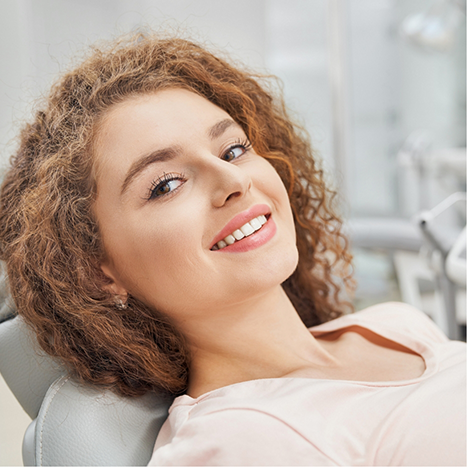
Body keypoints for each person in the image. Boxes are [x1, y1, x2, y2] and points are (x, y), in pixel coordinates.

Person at [0, 32, 464, 466]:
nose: (233, 181)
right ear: (99, 274)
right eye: (165, 184)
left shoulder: (392, 324)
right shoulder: (234, 442)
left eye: (233, 150)